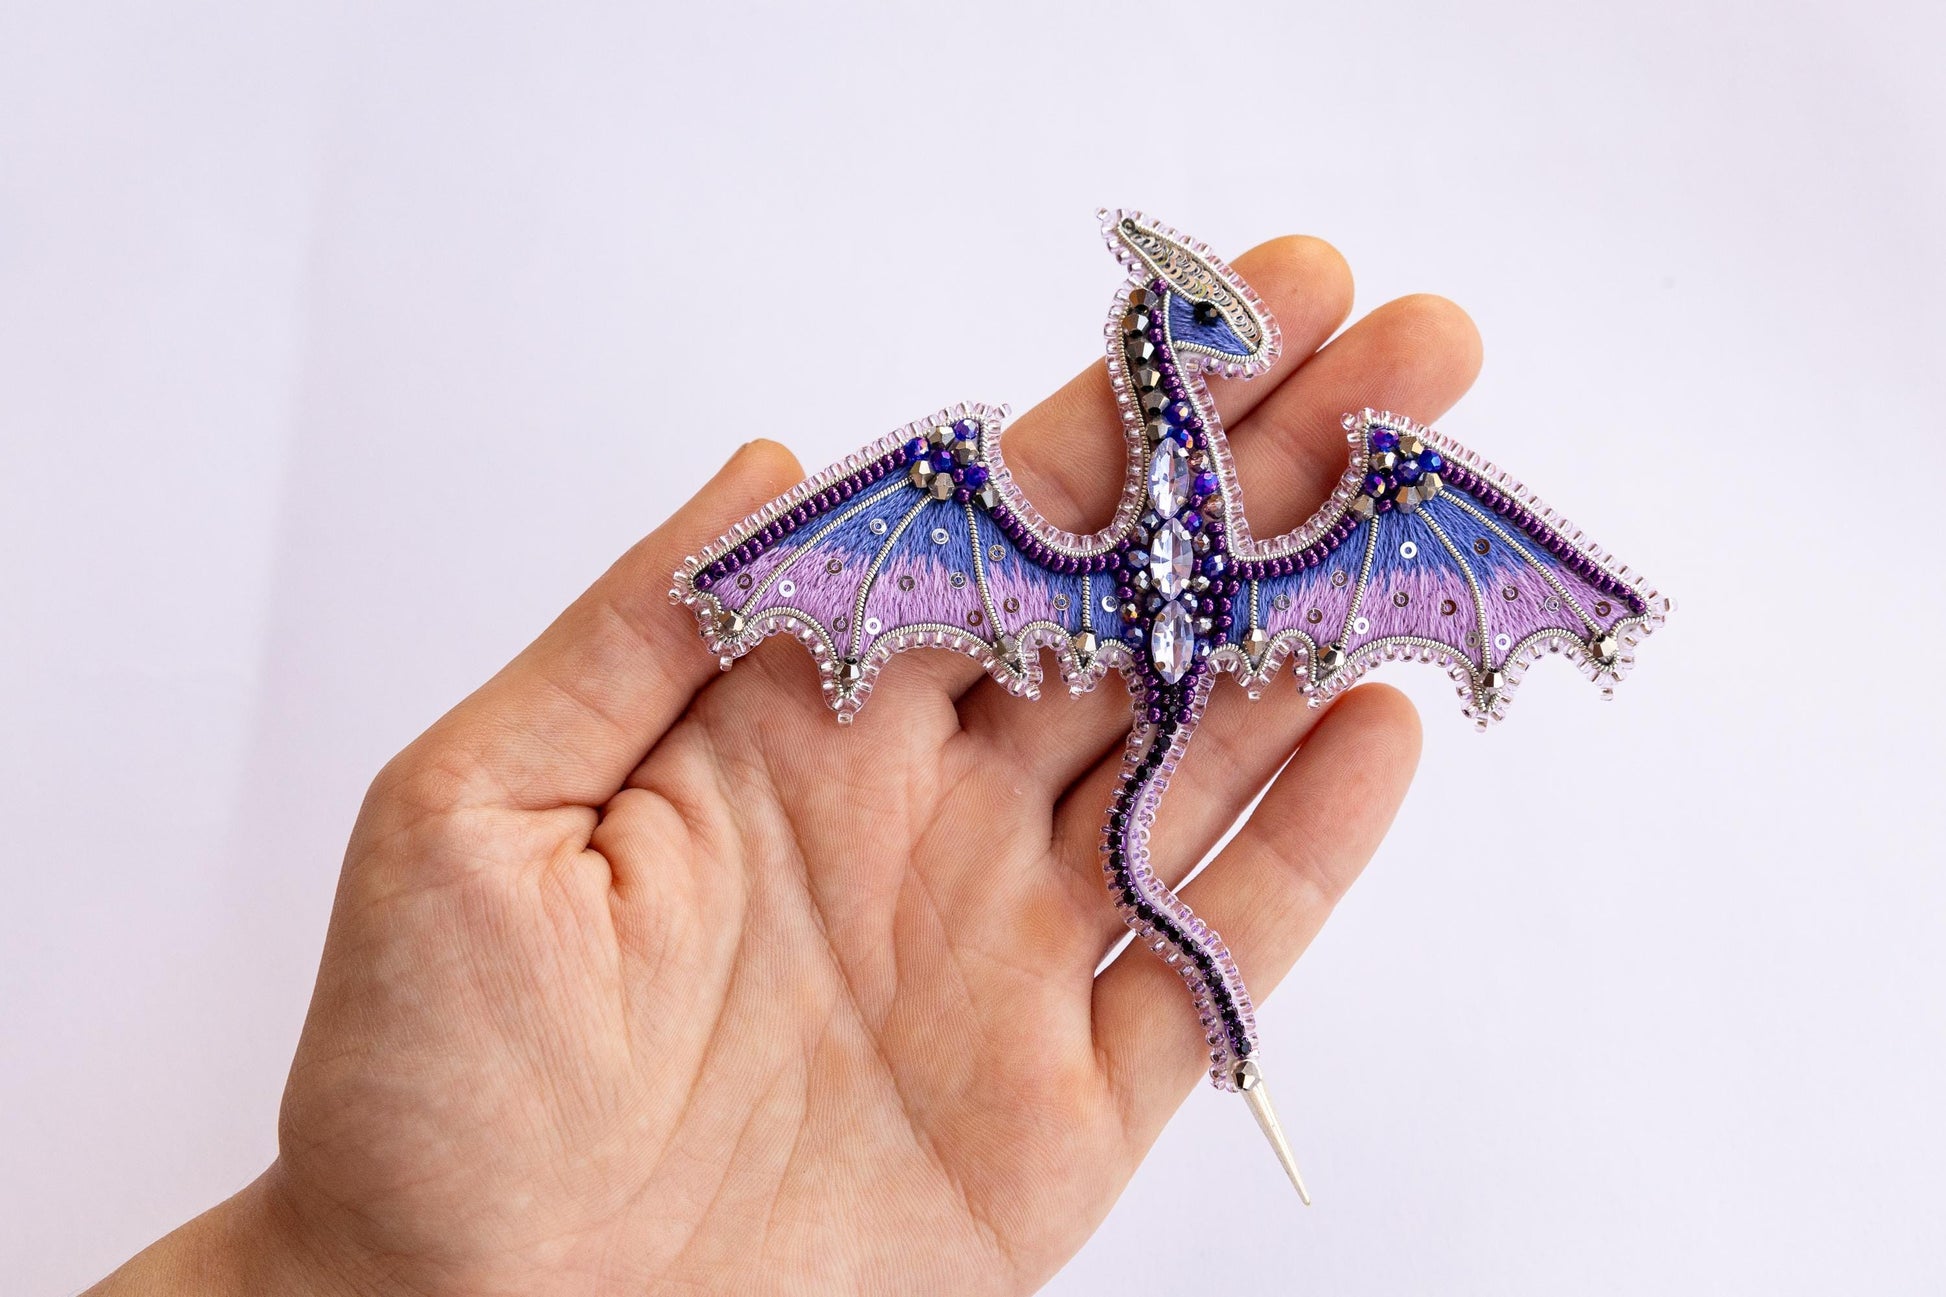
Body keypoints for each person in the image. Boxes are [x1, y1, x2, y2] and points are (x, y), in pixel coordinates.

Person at [88, 236, 1480, 1296]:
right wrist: (334, 1263)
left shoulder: (1332, 496)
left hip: (1211, 625)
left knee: (1159, 828)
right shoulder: (954, 502)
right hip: (1129, 615)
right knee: (1127, 842)